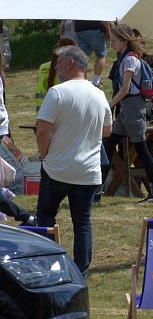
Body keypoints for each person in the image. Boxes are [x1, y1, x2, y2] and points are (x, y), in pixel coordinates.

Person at [35, 44, 111, 273]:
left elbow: (42, 130)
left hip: (57, 167)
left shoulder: (57, 92)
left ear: (70, 64)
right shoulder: (99, 94)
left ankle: (48, 264)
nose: (56, 67)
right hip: (87, 171)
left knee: (46, 215)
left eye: (58, 62)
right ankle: (81, 271)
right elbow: (107, 131)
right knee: (83, 222)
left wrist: (44, 153)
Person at [100, 24, 153, 203]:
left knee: (142, 150)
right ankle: (97, 191)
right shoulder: (127, 58)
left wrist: (108, 106)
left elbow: (125, 89)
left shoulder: (129, 60)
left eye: (114, 41)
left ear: (123, 40)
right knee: (108, 143)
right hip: (126, 109)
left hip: (133, 108)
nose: (112, 45)